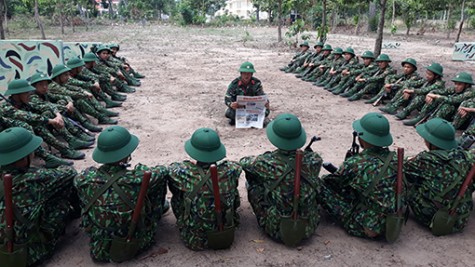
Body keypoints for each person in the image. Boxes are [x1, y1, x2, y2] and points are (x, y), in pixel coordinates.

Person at [75, 126, 168, 262]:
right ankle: (156, 212)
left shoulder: (84, 178)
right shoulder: (138, 178)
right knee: (156, 184)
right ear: (126, 154)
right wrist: (141, 168)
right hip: (132, 241)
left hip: (98, 244)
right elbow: (162, 171)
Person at [240, 113, 322, 244]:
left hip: (276, 228)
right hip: (308, 226)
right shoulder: (315, 160)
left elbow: (244, 162)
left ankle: (265, 215)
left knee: (254, 182)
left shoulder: (265, 163)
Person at [0, 127, 78, 266]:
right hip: (24, 254)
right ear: (22, 158)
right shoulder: (33, 180)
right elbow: (69, 173)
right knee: (61, 197)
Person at [318, 112, 402, 239]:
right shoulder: (397, 160)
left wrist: (344, 168)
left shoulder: (356, 163)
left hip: (366, 226)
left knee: (319, 185)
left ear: (361, 138)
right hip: (393, 222)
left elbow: (332, 183)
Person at [168, 128, 241, 250]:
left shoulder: (182, 173)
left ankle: (186, 219)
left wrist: (191, 165)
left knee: (178, 192)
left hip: (193, 239)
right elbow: (238, 165)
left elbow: (170, 169)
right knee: (233, 189)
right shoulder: (231, 170)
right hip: (226, 234)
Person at [405, 118, 475, 235]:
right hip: (461, 217)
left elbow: (402, 168)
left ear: (431, 141)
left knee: (407, 181)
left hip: (436, 219)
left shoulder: (425, 159)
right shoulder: (466, 157)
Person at [0, 79, 87, 160]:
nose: (29, 95)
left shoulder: (24, 102)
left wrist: (58, 115)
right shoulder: (6, 107)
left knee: (47, 114)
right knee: (34, 124)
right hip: (7, 137)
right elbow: (27, 116)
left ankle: (68, 144)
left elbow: (47, 105)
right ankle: (49, 156)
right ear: (17, 95)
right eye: (26, 93)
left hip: (19, 131)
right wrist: (51, 121)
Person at [403, 72, 475, 126]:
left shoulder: (470, 92)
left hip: (462, 119)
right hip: (453, 114)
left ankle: (436, 124)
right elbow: (443, 91)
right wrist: (431, 94)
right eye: (455, 83)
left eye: (459, 84)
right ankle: (422, 118)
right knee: (434, 98)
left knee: (447, 104)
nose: (456, 86)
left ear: (467, 85)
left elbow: (454, 100)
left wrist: (437, 96)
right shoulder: (456, 89)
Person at [378, 62, 445, 119]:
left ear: (436, 76)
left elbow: (425, 90)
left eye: (429, 75)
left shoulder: (438, 83)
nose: (427, 76)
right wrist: (407, 90)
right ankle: (393, 106)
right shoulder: (427, 79)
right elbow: (409, 83)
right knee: (406, 90)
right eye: (427, 73)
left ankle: (407, 112)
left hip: (430, 104)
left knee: (420, 95)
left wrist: (411, 91)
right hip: (418, 101)